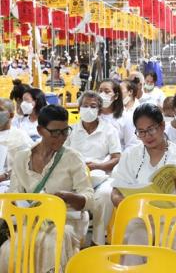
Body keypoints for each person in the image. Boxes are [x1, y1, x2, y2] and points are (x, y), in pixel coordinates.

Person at [0, 105, 94, 273]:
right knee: (9, 250)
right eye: (55, 132)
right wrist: (19, 204)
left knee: (51, 245)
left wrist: (69, 197)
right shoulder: (22, 158)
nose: (62, 137)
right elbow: (14, 194)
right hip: (29, 221)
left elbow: (89, 198)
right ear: (40, 130)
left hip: (63, 222)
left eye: (65, 131)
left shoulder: (73, 158)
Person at [110, 103, 176, 264]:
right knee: (133, 244)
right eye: (141, 132)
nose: (147, 136)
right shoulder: (131, 154)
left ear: (162, 126)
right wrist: (123, 202)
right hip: (141, 218)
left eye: (151, 129)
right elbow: (116, 191)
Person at [66, 91, 121, 245]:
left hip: (100, 176)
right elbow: (62, 154)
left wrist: (98, 166)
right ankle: (73, 240)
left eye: (93, 106)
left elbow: (117, 157)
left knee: (105, 195)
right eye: (85, 106)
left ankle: (97, 241)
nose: (88, 109)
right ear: (79, 109)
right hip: (74, 177)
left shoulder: (109, 130)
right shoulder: (71, 131)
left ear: (99, 110)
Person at [0, 98, 33, 193]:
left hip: (9, 185)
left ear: (11, 115)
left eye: (0, 109)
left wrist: (5, 176)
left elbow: (27, 166)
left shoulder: (20, 137)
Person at [98, 79, 137, 150]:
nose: (102, 95)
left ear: (116, 96)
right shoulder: (94, 116)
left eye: (107, 91)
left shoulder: (126, 117)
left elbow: (131, 145)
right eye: (100, 91)